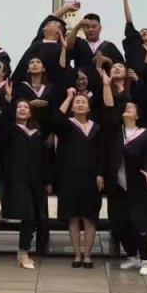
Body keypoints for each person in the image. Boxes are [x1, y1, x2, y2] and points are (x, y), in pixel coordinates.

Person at [103, 85, 147, 276]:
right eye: (126, 107)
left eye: (132, 107)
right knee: (119, 223)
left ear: (137, 115)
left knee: (140, 224)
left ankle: (146, 259)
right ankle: (132, 255)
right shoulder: (115, 133)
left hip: (139, 187)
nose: (127, 109)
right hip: (117, 187)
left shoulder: (146, 136)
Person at [0, 93, 54, 270]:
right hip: (17, 180)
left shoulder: (37, 131)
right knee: (28, 216)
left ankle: (26, 250)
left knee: (38, 218)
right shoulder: (9, 130)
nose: (22, 109)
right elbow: (2, 122)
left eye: (26, 107)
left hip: (36, 181)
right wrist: (8, 101)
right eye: (19, 107)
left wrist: (48, 180)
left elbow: (45, 157)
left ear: (31, 113)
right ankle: (23, 253)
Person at [55, 87, 104, 268]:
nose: (80, 104)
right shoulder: (67, 125)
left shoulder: (96, 128)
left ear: (89, 107)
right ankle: (77, 255)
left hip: (91, 177)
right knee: (73, 217)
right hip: (69, 177)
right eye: (77, 102)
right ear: (72, 107)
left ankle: (88, 255)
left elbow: (102, 153)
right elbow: (57, 118)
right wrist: (69, 97)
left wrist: (100, 173)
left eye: (83, 102)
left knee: (90, 217)